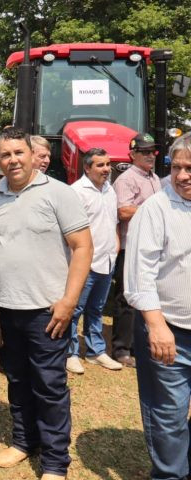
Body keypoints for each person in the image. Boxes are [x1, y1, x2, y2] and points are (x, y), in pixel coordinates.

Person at [0, 127, 92, 480]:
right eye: (5, 155)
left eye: (19, 153)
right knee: (16, 379)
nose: (13, 160)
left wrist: (69, 302)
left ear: (32, 156)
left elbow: (82, 247)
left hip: (48, 311)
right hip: (8, 308)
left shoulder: (58, 193)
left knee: (49, 386)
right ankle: (23, 441)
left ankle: (54, 462)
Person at [125, 133, 191, 480]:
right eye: (177, 167)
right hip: (169, 332)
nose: (182, 176)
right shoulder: (155, 209)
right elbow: (140, 274)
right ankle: (170, 475)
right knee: (169, 413)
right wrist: (155, 324)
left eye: (190, 168)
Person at [65, 148, 122, 374]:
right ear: (87, 168)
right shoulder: (76, 192)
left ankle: (95, 351)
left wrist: (116, 244)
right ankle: (70, 352)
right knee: (74, 309)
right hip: (85, 263)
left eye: (108, 164)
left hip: (107, 260)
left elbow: (113, 221)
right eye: (100, 165)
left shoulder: (109, 189)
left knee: (96, 309)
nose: (106, 169)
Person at [110, 132, 162, 368]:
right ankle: (121, 349)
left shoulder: (155, 178)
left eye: (153, 151)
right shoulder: (126, 179)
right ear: (133, 155)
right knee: (126, 299)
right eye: (145, 152)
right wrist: (151, 210)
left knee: (148, 295)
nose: (150, 155)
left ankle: (139, 344)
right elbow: (123, 211)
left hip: (152, 247)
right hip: (131, 247)